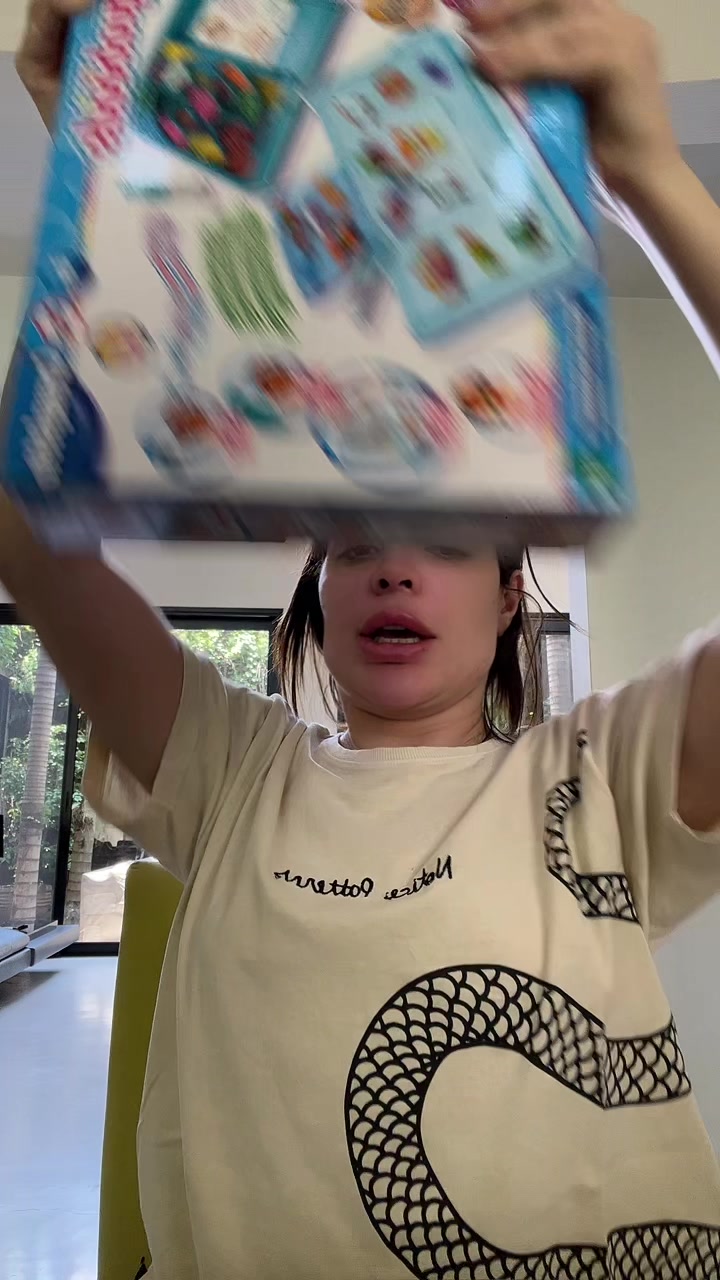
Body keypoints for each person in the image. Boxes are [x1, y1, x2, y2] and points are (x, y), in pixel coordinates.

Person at [6, 0, 720, 1276]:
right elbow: (26, 527)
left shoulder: (605, 779)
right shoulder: (229, 770)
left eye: (446, 536)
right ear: (317, 596)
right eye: (351, 542)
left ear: (510, 596)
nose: (393, 561)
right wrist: (100, 198)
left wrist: (652, 179)